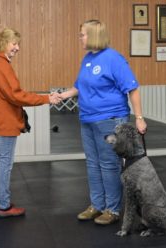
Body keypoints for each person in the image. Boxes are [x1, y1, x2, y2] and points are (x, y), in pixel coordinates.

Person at [59, 20, 147, 225]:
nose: (80, 38)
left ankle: (112, 209)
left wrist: (139, 118)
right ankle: (97, 205)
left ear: (94, 35)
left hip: (110, 119)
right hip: (87, 119)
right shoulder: (87, 58)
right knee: (92, 164)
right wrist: (61, 96)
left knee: (109, 165)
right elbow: (79, 87)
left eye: (82, 34)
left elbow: (132, 88)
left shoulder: (114, 59)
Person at [0, 28, 61, 218]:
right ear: (3, 43)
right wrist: (46, 99)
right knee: (5, 163)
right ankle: (4, 205)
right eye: (14, 43)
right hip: (5, 121)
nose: (17, 48)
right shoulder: (2, 65)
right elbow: (16, 95)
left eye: (18, 44)